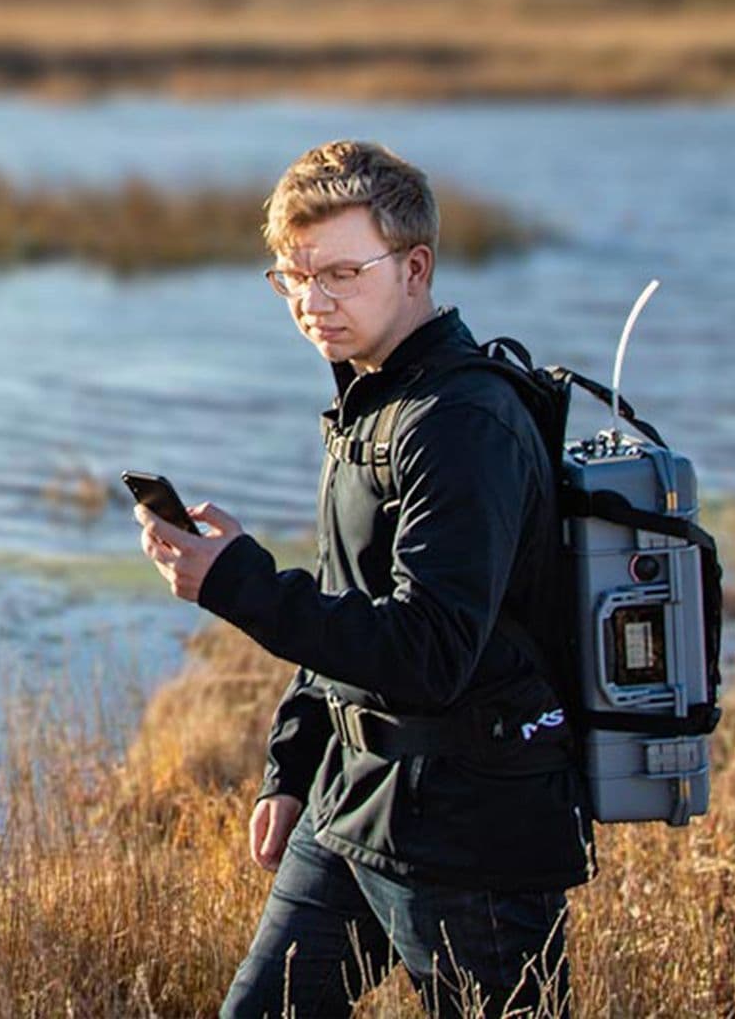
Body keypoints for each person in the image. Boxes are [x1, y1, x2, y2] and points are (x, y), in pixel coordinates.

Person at [134, 140, 596, 1018]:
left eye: (342, 274)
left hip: (471, 828)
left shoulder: (461, 423)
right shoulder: (370, 398)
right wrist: (293, 763)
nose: (313, 303)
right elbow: (351, 600)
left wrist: (238, 583)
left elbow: (429, 652)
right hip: (352, 800)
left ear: (415, 268)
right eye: (293, 277)